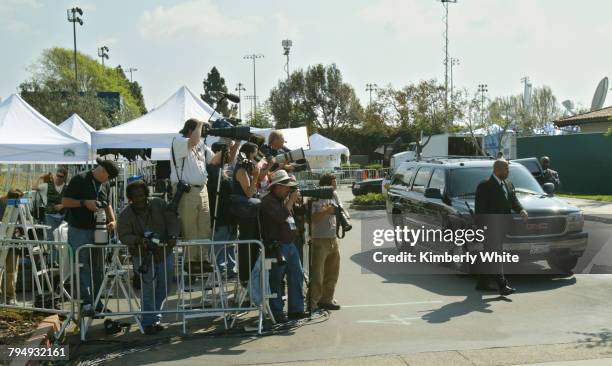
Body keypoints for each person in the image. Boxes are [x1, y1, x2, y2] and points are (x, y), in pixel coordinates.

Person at [117, 180, 180, 335]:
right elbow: (123, 235)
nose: (139, 199)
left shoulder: (159, 204)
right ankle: (148, 322)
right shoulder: (125, 214)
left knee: (165, 285)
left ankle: (154, 316)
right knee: (148, 289)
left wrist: (173, 235)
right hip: (142, 255)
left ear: (147, 194)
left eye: (141, 195)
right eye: (135, 196)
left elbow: (172, 218)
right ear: (130, 198)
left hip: (164, 252)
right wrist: (139, 240)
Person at [62, 158, 118, 315]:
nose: (108, 180)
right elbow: (65, 201)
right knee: (82, 266)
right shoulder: (79, 179)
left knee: (99, 267)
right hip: (79, 229)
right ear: (102, 171)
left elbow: (107, 203)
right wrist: (84, 203)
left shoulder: (104, 183)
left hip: (99, 230)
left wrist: (113, 220)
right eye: (107, 177)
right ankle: (86, 304)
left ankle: (97, 301)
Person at [474, 159, 528, 296]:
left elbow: (513, 200)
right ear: (497, 169)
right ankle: (503, 286)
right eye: (506, 169)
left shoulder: (508, 184)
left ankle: (482, 283)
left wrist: (521, 210)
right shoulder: (485, 185)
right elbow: (480, 210)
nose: (508, 172)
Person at [260, 170, 307, 322]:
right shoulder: (267, 201)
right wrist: (291, 201)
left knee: (296, 276)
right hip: (276, 246)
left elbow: (292, 218)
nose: (289, 189)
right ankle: (277, 313)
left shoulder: (282, 200)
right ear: (277, 186)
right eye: (286, 186)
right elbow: (281, 216)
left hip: (290, 244)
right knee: (276, 280)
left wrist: (296, 202)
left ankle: (296, 310)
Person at [170, 119, 214, 273]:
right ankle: (191, 261)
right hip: (186, 190)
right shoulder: (179, 140)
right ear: (191, 130)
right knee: (190, 227)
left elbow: (215, 160)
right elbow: (193, 140)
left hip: (202, 188)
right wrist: (201, 123)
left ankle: (203, 259)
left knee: (204, 226)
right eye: (200, 131)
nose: (202, 134)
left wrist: (231, 144)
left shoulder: (201, 145)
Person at [309, 173, 344, 311]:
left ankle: (327, 299)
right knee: (318, 274)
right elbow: (311, 219)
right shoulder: (315, 197)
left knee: (332, 272)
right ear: (325, 184)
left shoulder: (334, 195)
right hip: (319, 239)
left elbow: (340, 211)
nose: (335, 186)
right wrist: (325, 211)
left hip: (333, 238)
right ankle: (313, 302)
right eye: (333, 184)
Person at [207, 141, 240, 274]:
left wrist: (236, 143)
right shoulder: (212, 170)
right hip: (219, 215)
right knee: (219, 244)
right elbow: (212, 164)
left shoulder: (227, 170)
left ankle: (231, 268)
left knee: (230, 245)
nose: (229, 156)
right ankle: (219, 270)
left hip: (231, 216)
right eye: (226, 153)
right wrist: (226, 147)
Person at [233, 142, 261, 282]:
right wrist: (256, 176)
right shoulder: (241, 171)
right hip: (245, 215)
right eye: (255, 155)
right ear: (249, 154)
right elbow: (249, 194)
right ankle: (246, 279)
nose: (256, 159)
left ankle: (251, 277)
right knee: (247, 247)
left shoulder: (246, 169)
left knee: (253, 247)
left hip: (248, 214)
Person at [0, 189, 25, 305]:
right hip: (2, 239)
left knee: (11, 270)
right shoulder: (2, 204)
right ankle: (7, 296)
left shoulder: (18, 206)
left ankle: (10, 296)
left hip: (13, 241)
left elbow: (21, 223)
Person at [34, 168, 68, 240]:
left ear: (65, 177)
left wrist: (63, 205)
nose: (58, 178)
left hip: (63, 216)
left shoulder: (67, 188)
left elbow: (72, 200)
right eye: (57, 175)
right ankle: (52, 251)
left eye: (61, 176)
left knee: (63, 237)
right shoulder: (46, 186)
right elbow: (34, 187)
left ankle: (61, 251)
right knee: (51, 237)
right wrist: (39, 178)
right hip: (50, 216)